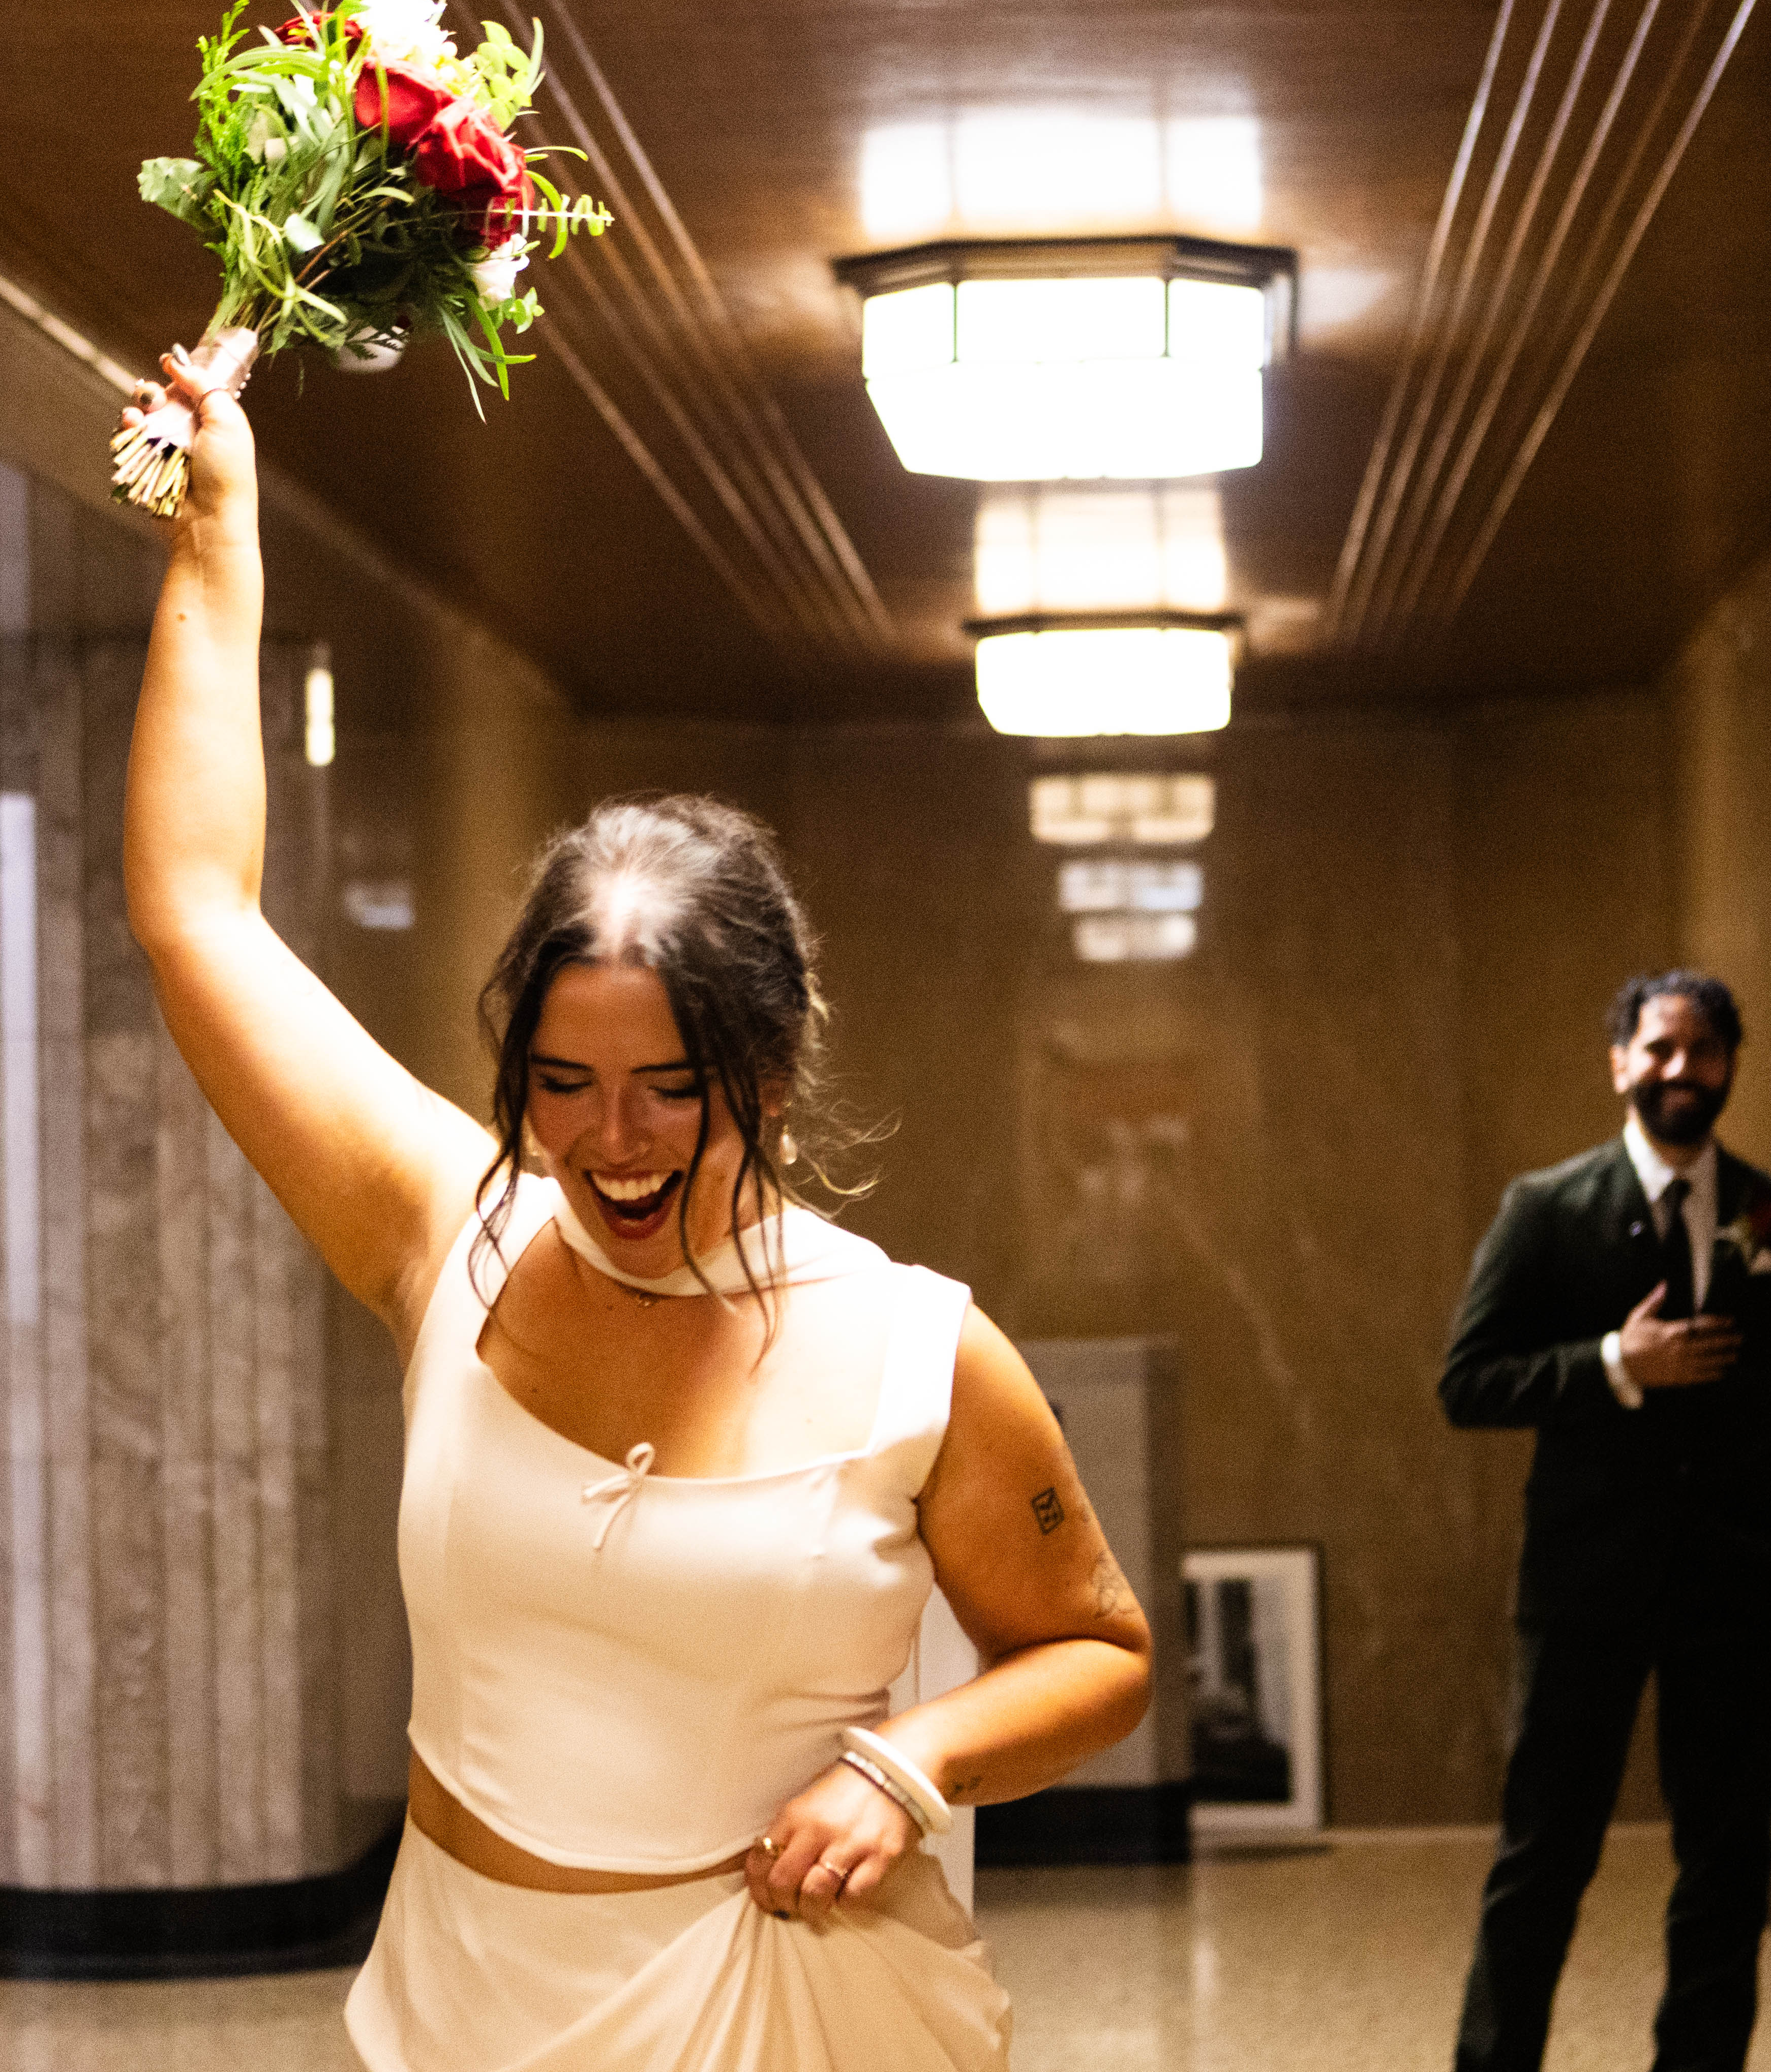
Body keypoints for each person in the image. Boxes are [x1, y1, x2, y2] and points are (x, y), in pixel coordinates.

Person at [119, 353, 1152, 2071]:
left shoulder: (917, 1350)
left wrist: (910, 1766)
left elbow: (1097, 1653)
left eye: (674, 1084)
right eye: (563, 1080)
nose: (614, 1140)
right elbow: (194, 916)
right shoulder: (444, 1230)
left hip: (789, 2003)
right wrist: (218, 524)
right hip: (466, 2008)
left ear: (770, 1060)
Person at [1437, 971, 1771, 2072]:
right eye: (1661, 1048)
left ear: (1729, 1065)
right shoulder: (1545, 1210)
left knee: (1726, 1861)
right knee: (1545, 1850)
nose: (1683, 1069)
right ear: (1620, 1062)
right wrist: (1611, 1364)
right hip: (1586, 1584)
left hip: (1741, 1590)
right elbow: (1469, 1381)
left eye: (1706, 1049)